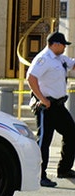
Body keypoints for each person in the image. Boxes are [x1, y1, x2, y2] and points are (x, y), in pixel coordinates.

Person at [26, 31, 75, 187]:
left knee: (71, 132)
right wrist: (42, 99)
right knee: (44, 141)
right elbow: (30, 78)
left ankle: (64, 169)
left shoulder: (59, 59)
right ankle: (40, 175)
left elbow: (73, 65)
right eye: (63, 45)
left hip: (58, 106)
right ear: (55, 44)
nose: (64, 48)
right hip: (46, 107)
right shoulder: (44, 59)